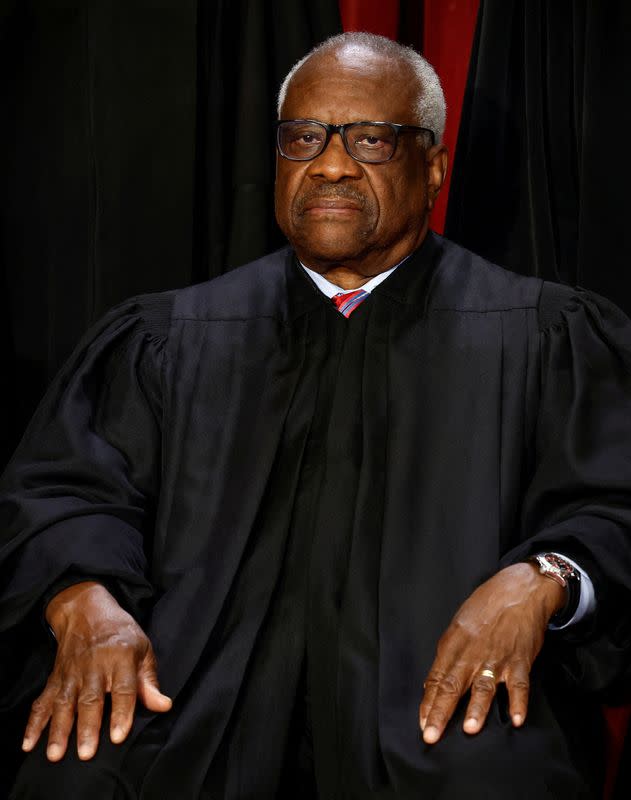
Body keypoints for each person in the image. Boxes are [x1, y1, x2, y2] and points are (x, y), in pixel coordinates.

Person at [2, 31, 631, 799]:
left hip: (446, 700)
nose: (329, 164)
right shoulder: (169, 337)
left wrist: (543, 578)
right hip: (190, 696)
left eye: (370, 139)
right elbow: (66, 493)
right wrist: (82, 599)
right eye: (303, 137)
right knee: (78, 779)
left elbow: (612, 501)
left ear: (431, 167)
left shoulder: (541, 334)